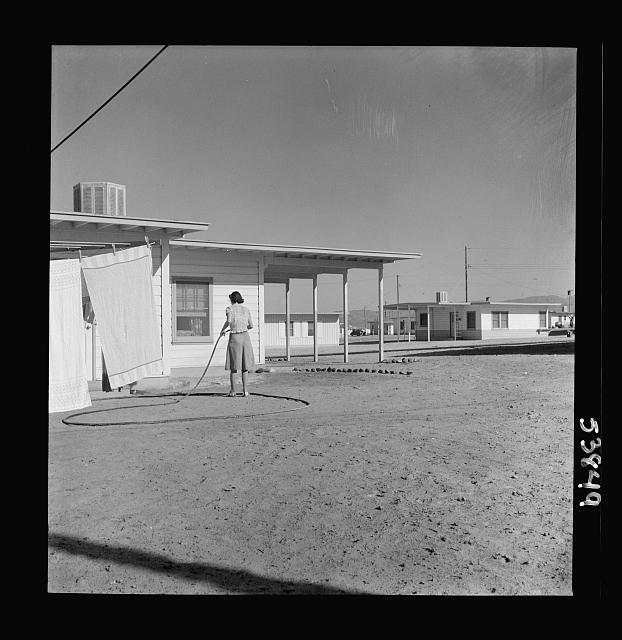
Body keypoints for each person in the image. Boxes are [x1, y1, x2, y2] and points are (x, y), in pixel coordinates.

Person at [220, 291, 256, 397]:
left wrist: (223, 330)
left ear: (232, 299)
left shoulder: (229, 309)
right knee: (245, 366)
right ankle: (245, 390)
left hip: (235, 338)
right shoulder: (246, 309)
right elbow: (251, 325)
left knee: (234, 366)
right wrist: (243, 327)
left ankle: (233, 391)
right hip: (245, 337)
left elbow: (229, 321)